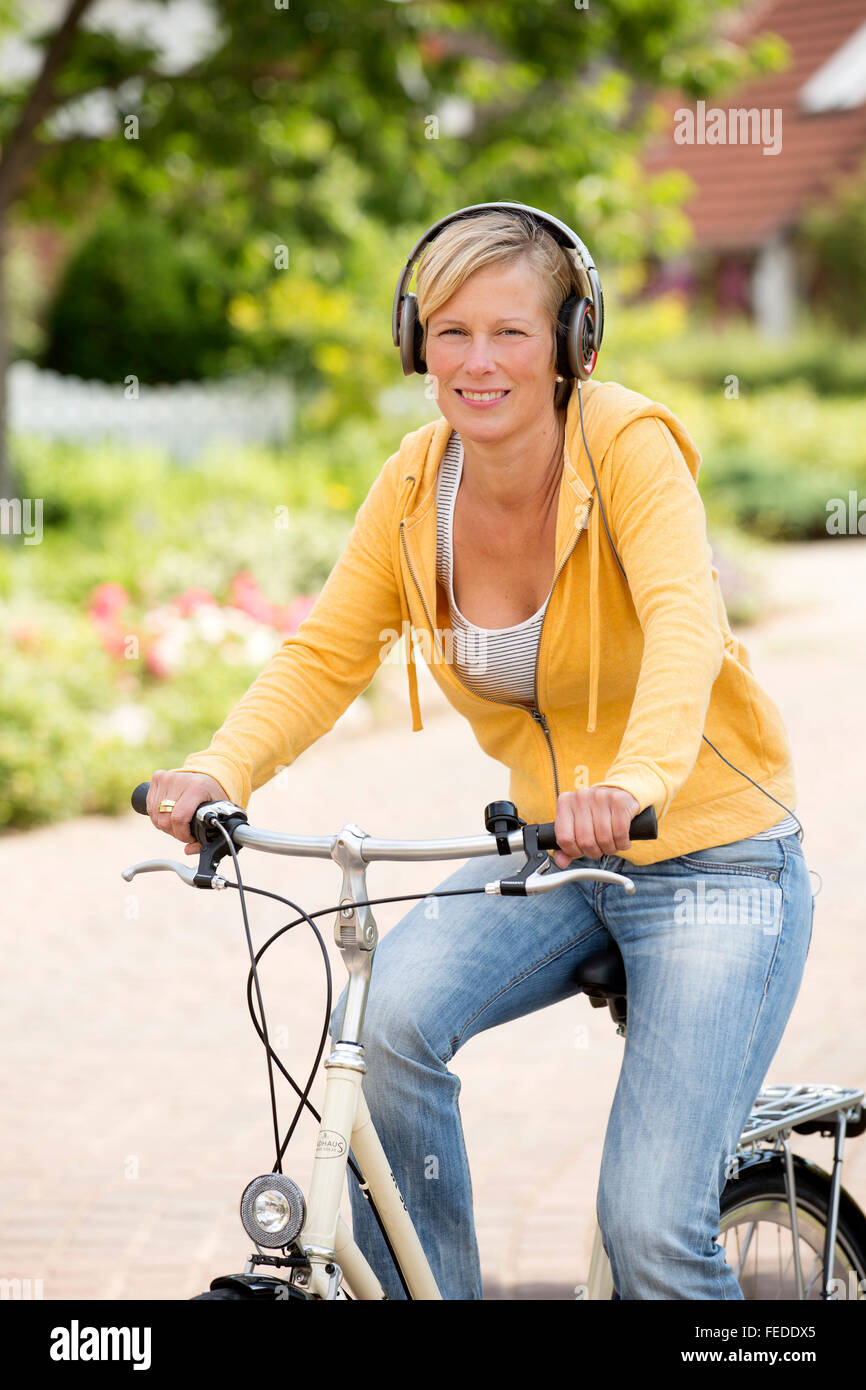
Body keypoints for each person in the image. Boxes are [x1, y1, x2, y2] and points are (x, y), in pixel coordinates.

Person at [145, 205, 814, 1299]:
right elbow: (325, 653)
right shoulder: (415, 483)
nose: (477, 361)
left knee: (650, 1227)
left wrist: (636, 780)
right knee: (391, 1019)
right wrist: (221, 770)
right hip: (556, 847)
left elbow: (683, 628)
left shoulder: (626, 444)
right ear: (416, 343)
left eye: (510, 332)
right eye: (450, 332)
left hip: (713, 857)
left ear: (570, 345)